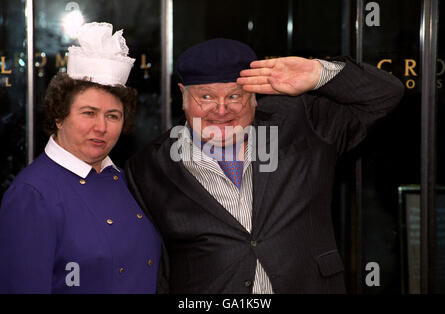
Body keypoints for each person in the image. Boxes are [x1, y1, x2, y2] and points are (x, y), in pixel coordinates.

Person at [125, 38, 404, 293]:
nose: (221, 110)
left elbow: (385, 94)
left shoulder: (301, 122)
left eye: (235, 96)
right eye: (206, 97)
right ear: (183, 95)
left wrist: (319, 74)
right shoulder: (149, 166)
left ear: (255, 96)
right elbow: (154, 263)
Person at [0, 22, 161, 293]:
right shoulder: (33, 194)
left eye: (113, 116)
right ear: (59, 116)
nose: (101, 127)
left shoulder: (126, 180)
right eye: (88, 113)